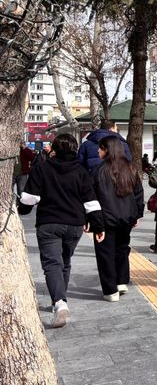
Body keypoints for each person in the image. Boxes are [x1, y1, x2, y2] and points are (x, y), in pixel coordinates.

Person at [18, 134, 105, 328]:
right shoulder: (81, 171)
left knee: (52, 263)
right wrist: (98, 227)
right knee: (64, 262)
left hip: (49, 223)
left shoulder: (42, 168)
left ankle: (59, 302)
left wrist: (20, 209)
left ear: (55, 148)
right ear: (75, 149)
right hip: (74, 225)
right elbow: (91, 202)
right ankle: (60, 300)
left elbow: (29, 198)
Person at [91, 136, 144, 302]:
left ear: (107, 150)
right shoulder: (130, 168)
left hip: (105, 219)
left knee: (105, 254)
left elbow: (92, 197)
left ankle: (110, 290)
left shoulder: (98, 170)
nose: (98, 151)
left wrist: (92, 220)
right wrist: (137, 214)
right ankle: (121, 281)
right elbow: (138, 193)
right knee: (122, 248)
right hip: (126, 217)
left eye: (100, 148)